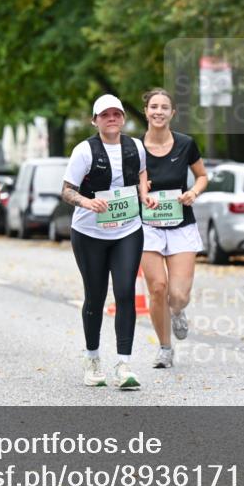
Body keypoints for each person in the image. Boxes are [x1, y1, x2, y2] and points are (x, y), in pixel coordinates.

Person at [61, 94, 157, 390]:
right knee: (96, 295)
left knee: (126, 291)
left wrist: (144, 194)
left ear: (123, 118)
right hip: (90, 233)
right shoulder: (84, 151)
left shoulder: (136, 146)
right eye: (105, 115)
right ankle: (92, 360)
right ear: (95, 120)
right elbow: (66, 190)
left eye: (116, 113)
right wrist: (85, 202)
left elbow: (141, 171)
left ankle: (124, 364)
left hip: (127, 229)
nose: (111, 118)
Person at [139, 88, 207, 369]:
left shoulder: (185, 143)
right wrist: (141, 189)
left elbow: (202, 176)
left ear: (172, 113)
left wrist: (193, 192)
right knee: (157, 287)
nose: (158, 111)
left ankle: (177, 311)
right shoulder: (133, 147)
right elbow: (122, 181)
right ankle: (165, 348)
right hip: (147, 225)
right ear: (146, 111)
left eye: (164, 107)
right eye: (153, 106)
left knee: (177, 294)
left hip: (180, 224)